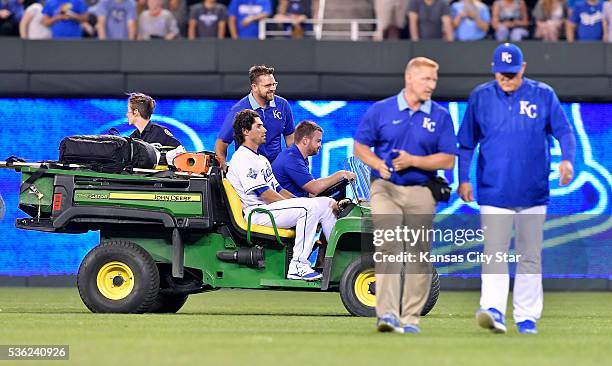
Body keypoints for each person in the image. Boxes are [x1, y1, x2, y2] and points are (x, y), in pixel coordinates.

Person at [457, 43, 576, 335]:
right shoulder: (481, 96)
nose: (506, 79)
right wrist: (463, 178)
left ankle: (526, 317)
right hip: (493, 190)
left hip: (533, 191)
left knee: (530, 255)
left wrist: (568, 161)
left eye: (511, 73)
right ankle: (493, 309)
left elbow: (564, 131)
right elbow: (466, 143)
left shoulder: (543, 94)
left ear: (523, 68)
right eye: (501, 73)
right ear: (493, 70)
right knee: (495, 252)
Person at [354, 57, 457, 334]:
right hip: (385, 188)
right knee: (389, 248)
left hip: (422, 190)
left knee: (418, 254)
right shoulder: (382, 110)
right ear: (409, 78)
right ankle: (387, 315)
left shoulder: (441, 116)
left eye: (434, 80)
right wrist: (377, 165)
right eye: (426, 79)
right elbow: (360, 147)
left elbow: (448, 160)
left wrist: (413, 161)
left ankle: (410, 318)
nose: (431, 85)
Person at [227, 109, 338, 281]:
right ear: (246, 131)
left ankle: (338, 256)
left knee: (325, 203)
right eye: (259, 126)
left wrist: (297, 202)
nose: (265, 130)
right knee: (308, 208)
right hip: (257, 214)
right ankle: (298, 265)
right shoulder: (242, 158)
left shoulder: (261, 159)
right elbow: (265, 194)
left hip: (269, 210)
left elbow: (278, 189)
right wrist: (301, 204)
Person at [215, 65, 295, 171]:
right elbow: (222, 143)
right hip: (249, 171)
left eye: (274, 84)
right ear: (254, 87)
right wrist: (223, 167)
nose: (272, 89)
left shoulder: (283, 105)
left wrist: (295, 165)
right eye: (267, 86)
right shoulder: (238, 110)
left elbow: (290, 139)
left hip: (275, 171)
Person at [272, 120, 356, 198]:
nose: (320, 145)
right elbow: (314, 188)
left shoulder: (299, 156)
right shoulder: (291, 159)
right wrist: (341, 174)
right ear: (305, 141)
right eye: (318, 141)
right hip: (288, 208)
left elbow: (309, 191)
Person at [126, 93, 185, 164]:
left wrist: (160, 159)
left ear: (135, 112)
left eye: (128, 111)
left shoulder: (160, 132)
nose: (127, 114)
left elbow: (181, 152)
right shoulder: (132, 138)